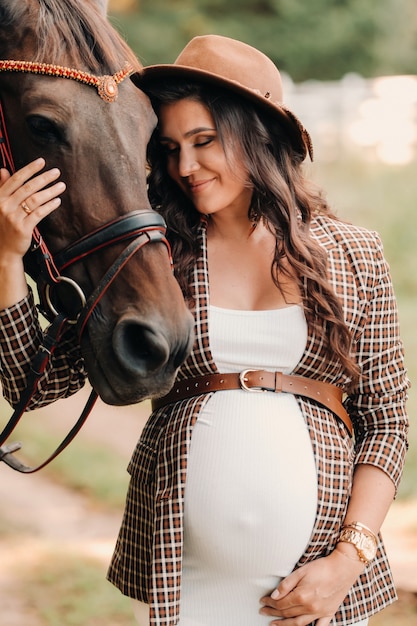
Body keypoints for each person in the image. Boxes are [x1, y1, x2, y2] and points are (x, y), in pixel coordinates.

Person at [0, 35, 409, 626]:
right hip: (187, 583)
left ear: (257, 135)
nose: (184, 167)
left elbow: (387, 421)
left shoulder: (353, 255)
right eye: (168, 148)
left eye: (203, 141)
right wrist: (7, 259)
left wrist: (349, 560)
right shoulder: (155, 258)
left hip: (316, 596)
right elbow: (32, 384)